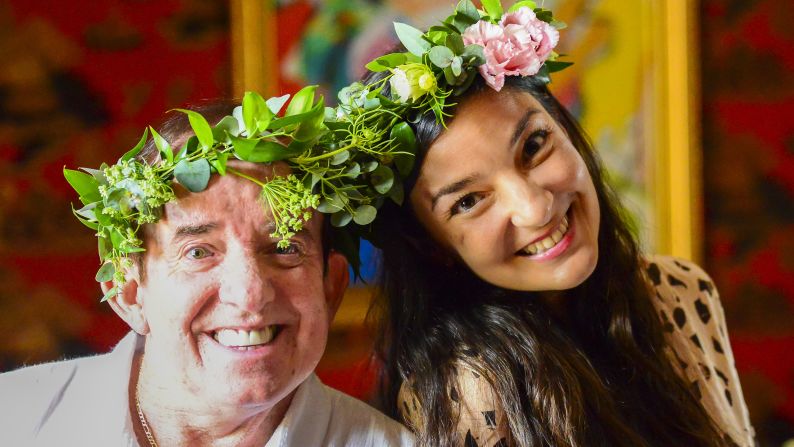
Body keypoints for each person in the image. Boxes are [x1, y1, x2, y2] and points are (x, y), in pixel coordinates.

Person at [346, 1, 756, 446]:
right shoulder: (469, 393)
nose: (535, 209)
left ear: (566, 129)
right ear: (431, 244)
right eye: (468, 201)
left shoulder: (679, 291)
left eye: (534, 146)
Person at [0, 102, 415, 447]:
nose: (250, 294)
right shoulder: (16, 421)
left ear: (331, 288)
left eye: (285, 248)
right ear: (127, 291)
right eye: (198, 251)